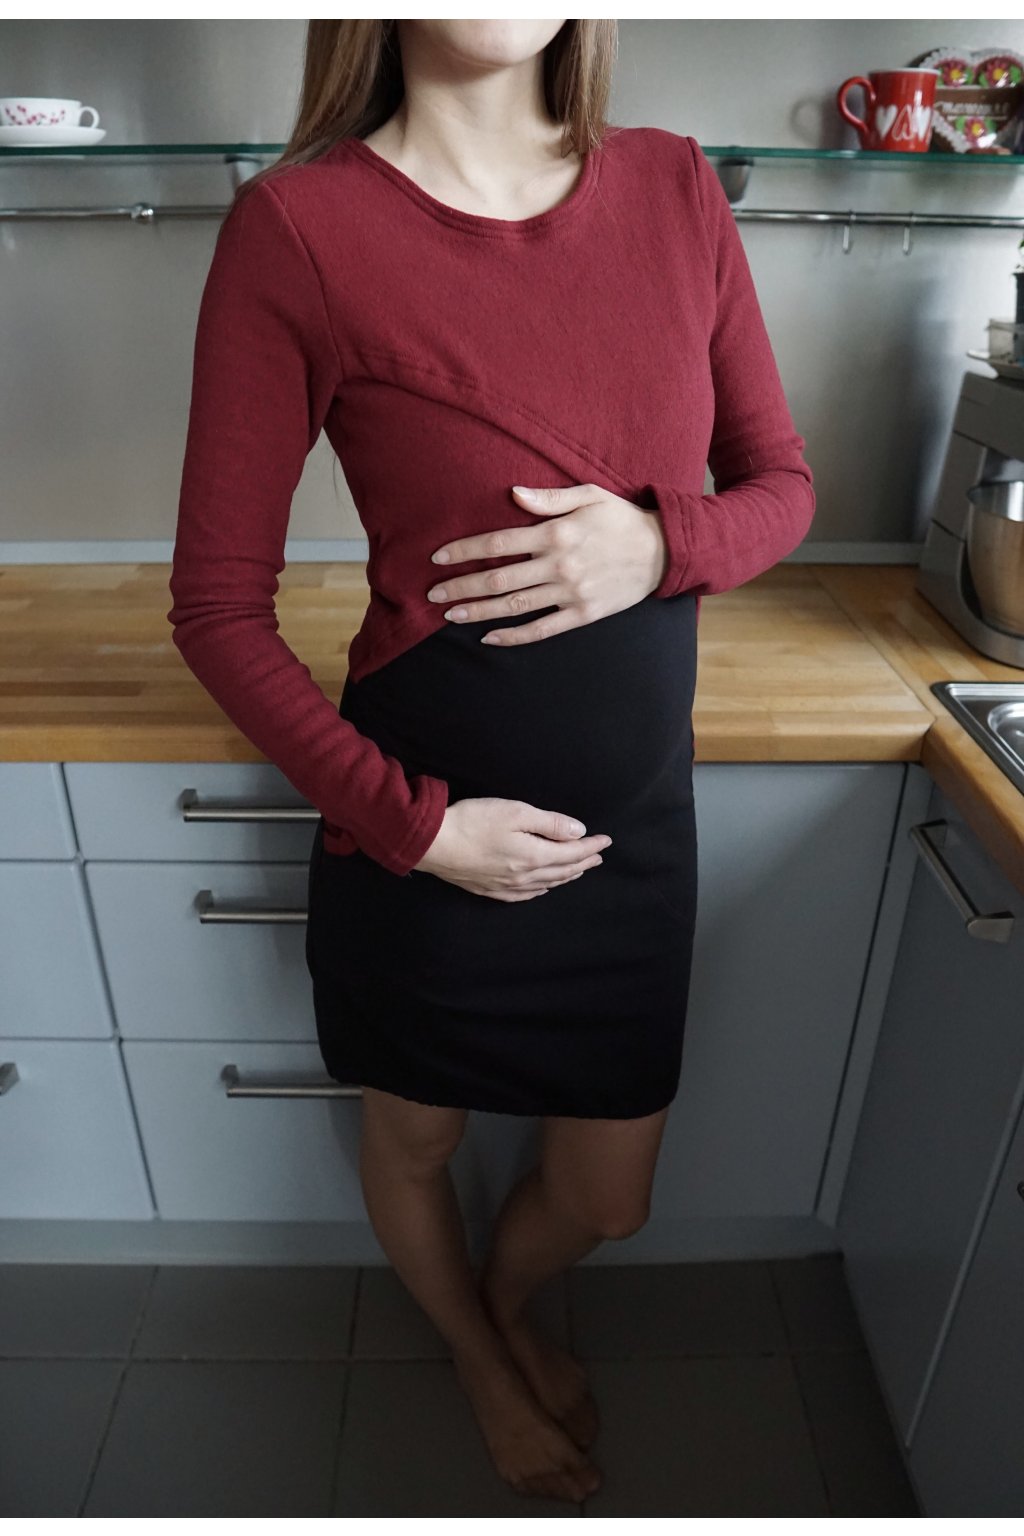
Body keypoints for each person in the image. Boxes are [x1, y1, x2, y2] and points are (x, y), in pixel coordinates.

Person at [167, 17, 815, 1506]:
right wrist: (418, 831)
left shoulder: (675, 187)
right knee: (416, 1136)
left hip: (629, 829)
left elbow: (780, 485)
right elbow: (216, 612)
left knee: (611, 1197)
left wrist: (659, 542)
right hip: (423, 829)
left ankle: (511, 1297)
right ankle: (475, 1350)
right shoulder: (299, 228)